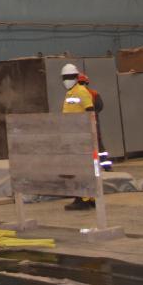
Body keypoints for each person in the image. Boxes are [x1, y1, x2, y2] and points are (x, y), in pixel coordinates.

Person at [60, 63, 97, 210]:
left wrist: (88, 132)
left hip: (81, 136)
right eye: (65, 77)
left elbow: (90, 111)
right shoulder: (69, 94)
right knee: (81, 167)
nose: (67, 79)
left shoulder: (81, 91)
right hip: (72, 136)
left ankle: (83, 198)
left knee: (81, 168)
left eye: (70, 76)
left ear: (76, 77)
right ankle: (89, 197)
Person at [78, 73, 112, 171]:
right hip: (92, 122)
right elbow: (99, 107)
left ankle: (105, 166)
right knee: (98, 144)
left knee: (96, 144)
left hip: (87, 122)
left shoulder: (91, 94)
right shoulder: (93, 93)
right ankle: (106, 167)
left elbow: (98, 107)